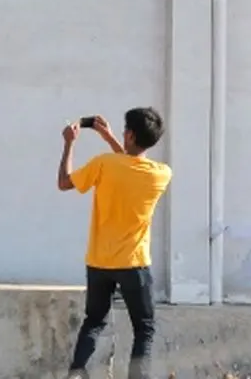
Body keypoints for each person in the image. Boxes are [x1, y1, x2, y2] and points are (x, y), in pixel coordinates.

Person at [59, 108, 172, 379]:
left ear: (130, 134)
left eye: (124, 131)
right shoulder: (161, 174)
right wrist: (109, 137)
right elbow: (131, 164)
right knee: (143, 328)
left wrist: (69, 144)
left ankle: (76, 372)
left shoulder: (104, 164)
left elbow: (64, 182)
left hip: (99, 261)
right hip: (134, 264)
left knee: (94, 321)